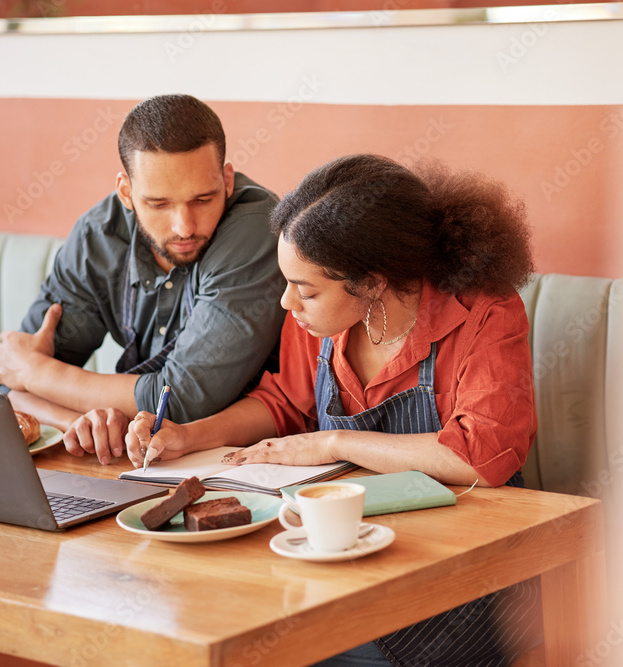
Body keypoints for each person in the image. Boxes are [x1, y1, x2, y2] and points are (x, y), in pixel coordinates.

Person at [125, 154, 543, 666]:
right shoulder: (317, 322)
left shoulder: (485, 314)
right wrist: (191, 436)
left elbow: (482, 456)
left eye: (305, 289)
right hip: (338, 551)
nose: (286, 303)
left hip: (459, 570)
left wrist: (333, 441)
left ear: (373, 281)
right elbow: (283, 404)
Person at [0, 94, 286, 465]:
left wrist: (38, 372)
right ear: (126, 193)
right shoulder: (98, 239)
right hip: (139, 460)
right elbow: (9, 388)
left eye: (203, 199)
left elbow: (180, 399)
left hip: (248, 463)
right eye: (159, 204)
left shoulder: (255, 229)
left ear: (227, 181)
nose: (184, 226)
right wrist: (82, 423)